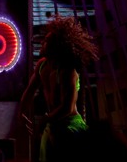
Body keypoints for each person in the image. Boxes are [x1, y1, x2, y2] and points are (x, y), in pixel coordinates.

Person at [18, 15, 99, 162]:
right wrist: (22, 112)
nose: (42, 43)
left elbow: (67, 108)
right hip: (53, 125)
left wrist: (44, 120)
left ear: (57, 45)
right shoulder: (42, 65)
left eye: (47, 41)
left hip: (70, 126)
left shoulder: (68, 71)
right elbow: (29, 92)